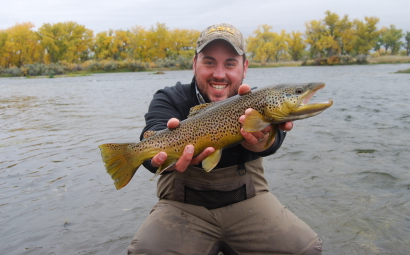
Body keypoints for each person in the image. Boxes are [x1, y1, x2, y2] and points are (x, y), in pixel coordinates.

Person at [127, 23, 322, 255]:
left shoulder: (256, 98)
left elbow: (276, 139)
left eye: (230, 63)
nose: (219, 74)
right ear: (194, 64)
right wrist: (155, 158)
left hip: (248, 202)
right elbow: (152, 133)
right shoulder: (169, 98)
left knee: (305, 249)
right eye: (209, 62)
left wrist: (262, 141)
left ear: (245, 67)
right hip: (182, 206)